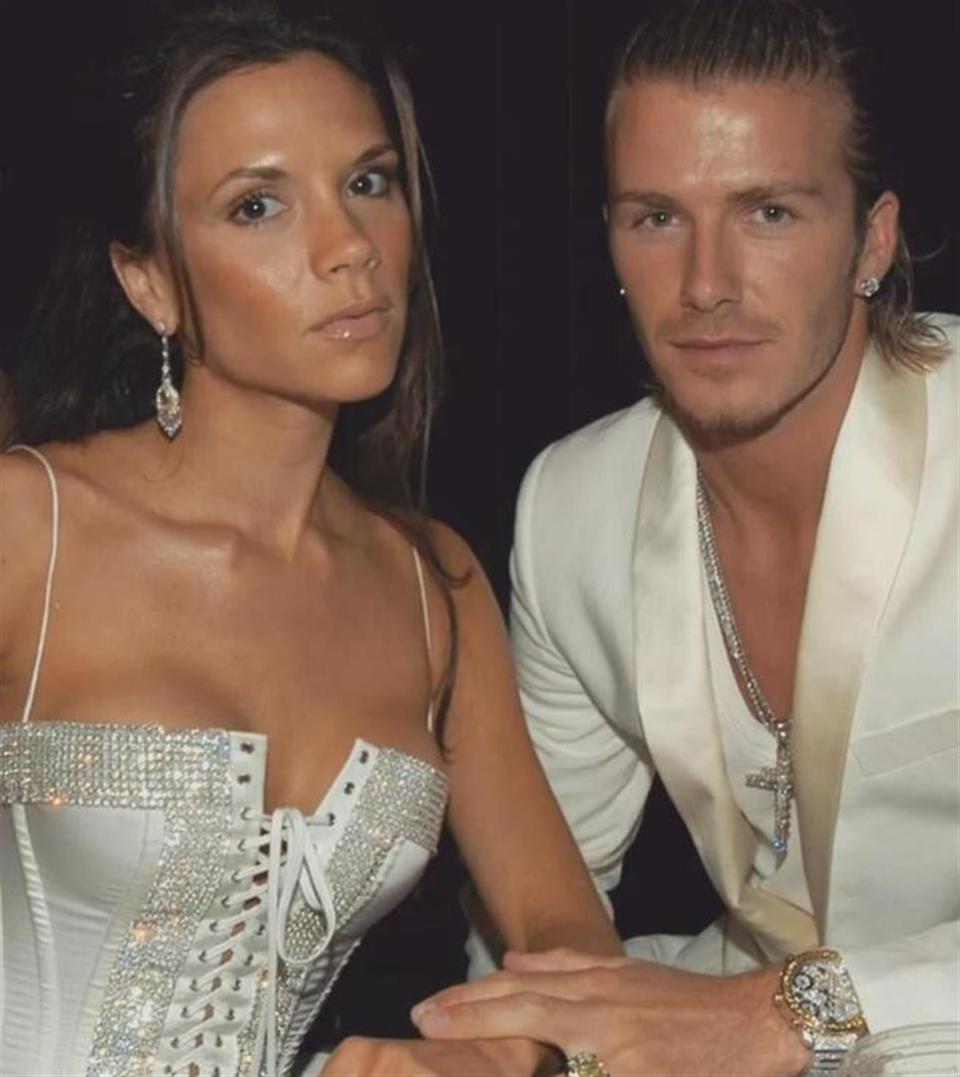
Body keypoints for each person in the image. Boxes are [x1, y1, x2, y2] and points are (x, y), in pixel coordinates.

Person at [0, 5, 620, 1076]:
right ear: (150, 282)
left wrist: (497, 1056)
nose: (349, 249)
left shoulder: (434, 589)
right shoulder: (30, 526)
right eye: (258, 205)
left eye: (369, 182)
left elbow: (569, 936)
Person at [412, 1, 959, 1075]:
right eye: (657, 218)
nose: (706, 285)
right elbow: (546, 897)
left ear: (873, 239)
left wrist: (787, 1015)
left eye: (769, 212)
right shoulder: (573, 508)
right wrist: (502, 1050)